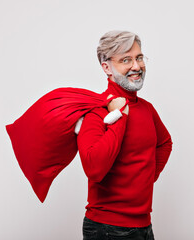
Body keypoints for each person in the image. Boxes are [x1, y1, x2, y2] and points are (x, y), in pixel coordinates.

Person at [77, 30, 173, 240]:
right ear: (107, 67)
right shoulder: (96, 111)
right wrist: (119, 115)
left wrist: (145, 179)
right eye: (126, 60)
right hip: (107, 228)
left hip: (144, 224)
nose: (136, 66)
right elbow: (93, 168)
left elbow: (165, 143)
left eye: (139, 58)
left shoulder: (147, 109)